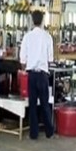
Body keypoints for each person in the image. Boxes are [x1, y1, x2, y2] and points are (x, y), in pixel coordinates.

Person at [19, 10, 55, 140]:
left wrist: (25, 68)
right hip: (43, 75)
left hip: (32, 75)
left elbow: (22, 58)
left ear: (32, 21)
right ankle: (49, 132)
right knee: (45, 104)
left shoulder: (27, 37)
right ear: (42, 21)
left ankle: (33, 134)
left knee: (32, 104)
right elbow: (50, 59)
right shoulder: (47, 37)